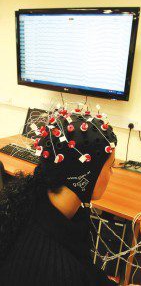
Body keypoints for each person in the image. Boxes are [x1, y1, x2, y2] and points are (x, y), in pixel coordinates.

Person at [0, 106, 120, 286]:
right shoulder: (59, 271)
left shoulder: (34, 196)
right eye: (110, 167)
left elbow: (85, 267)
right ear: (87, 174)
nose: (112, 174)